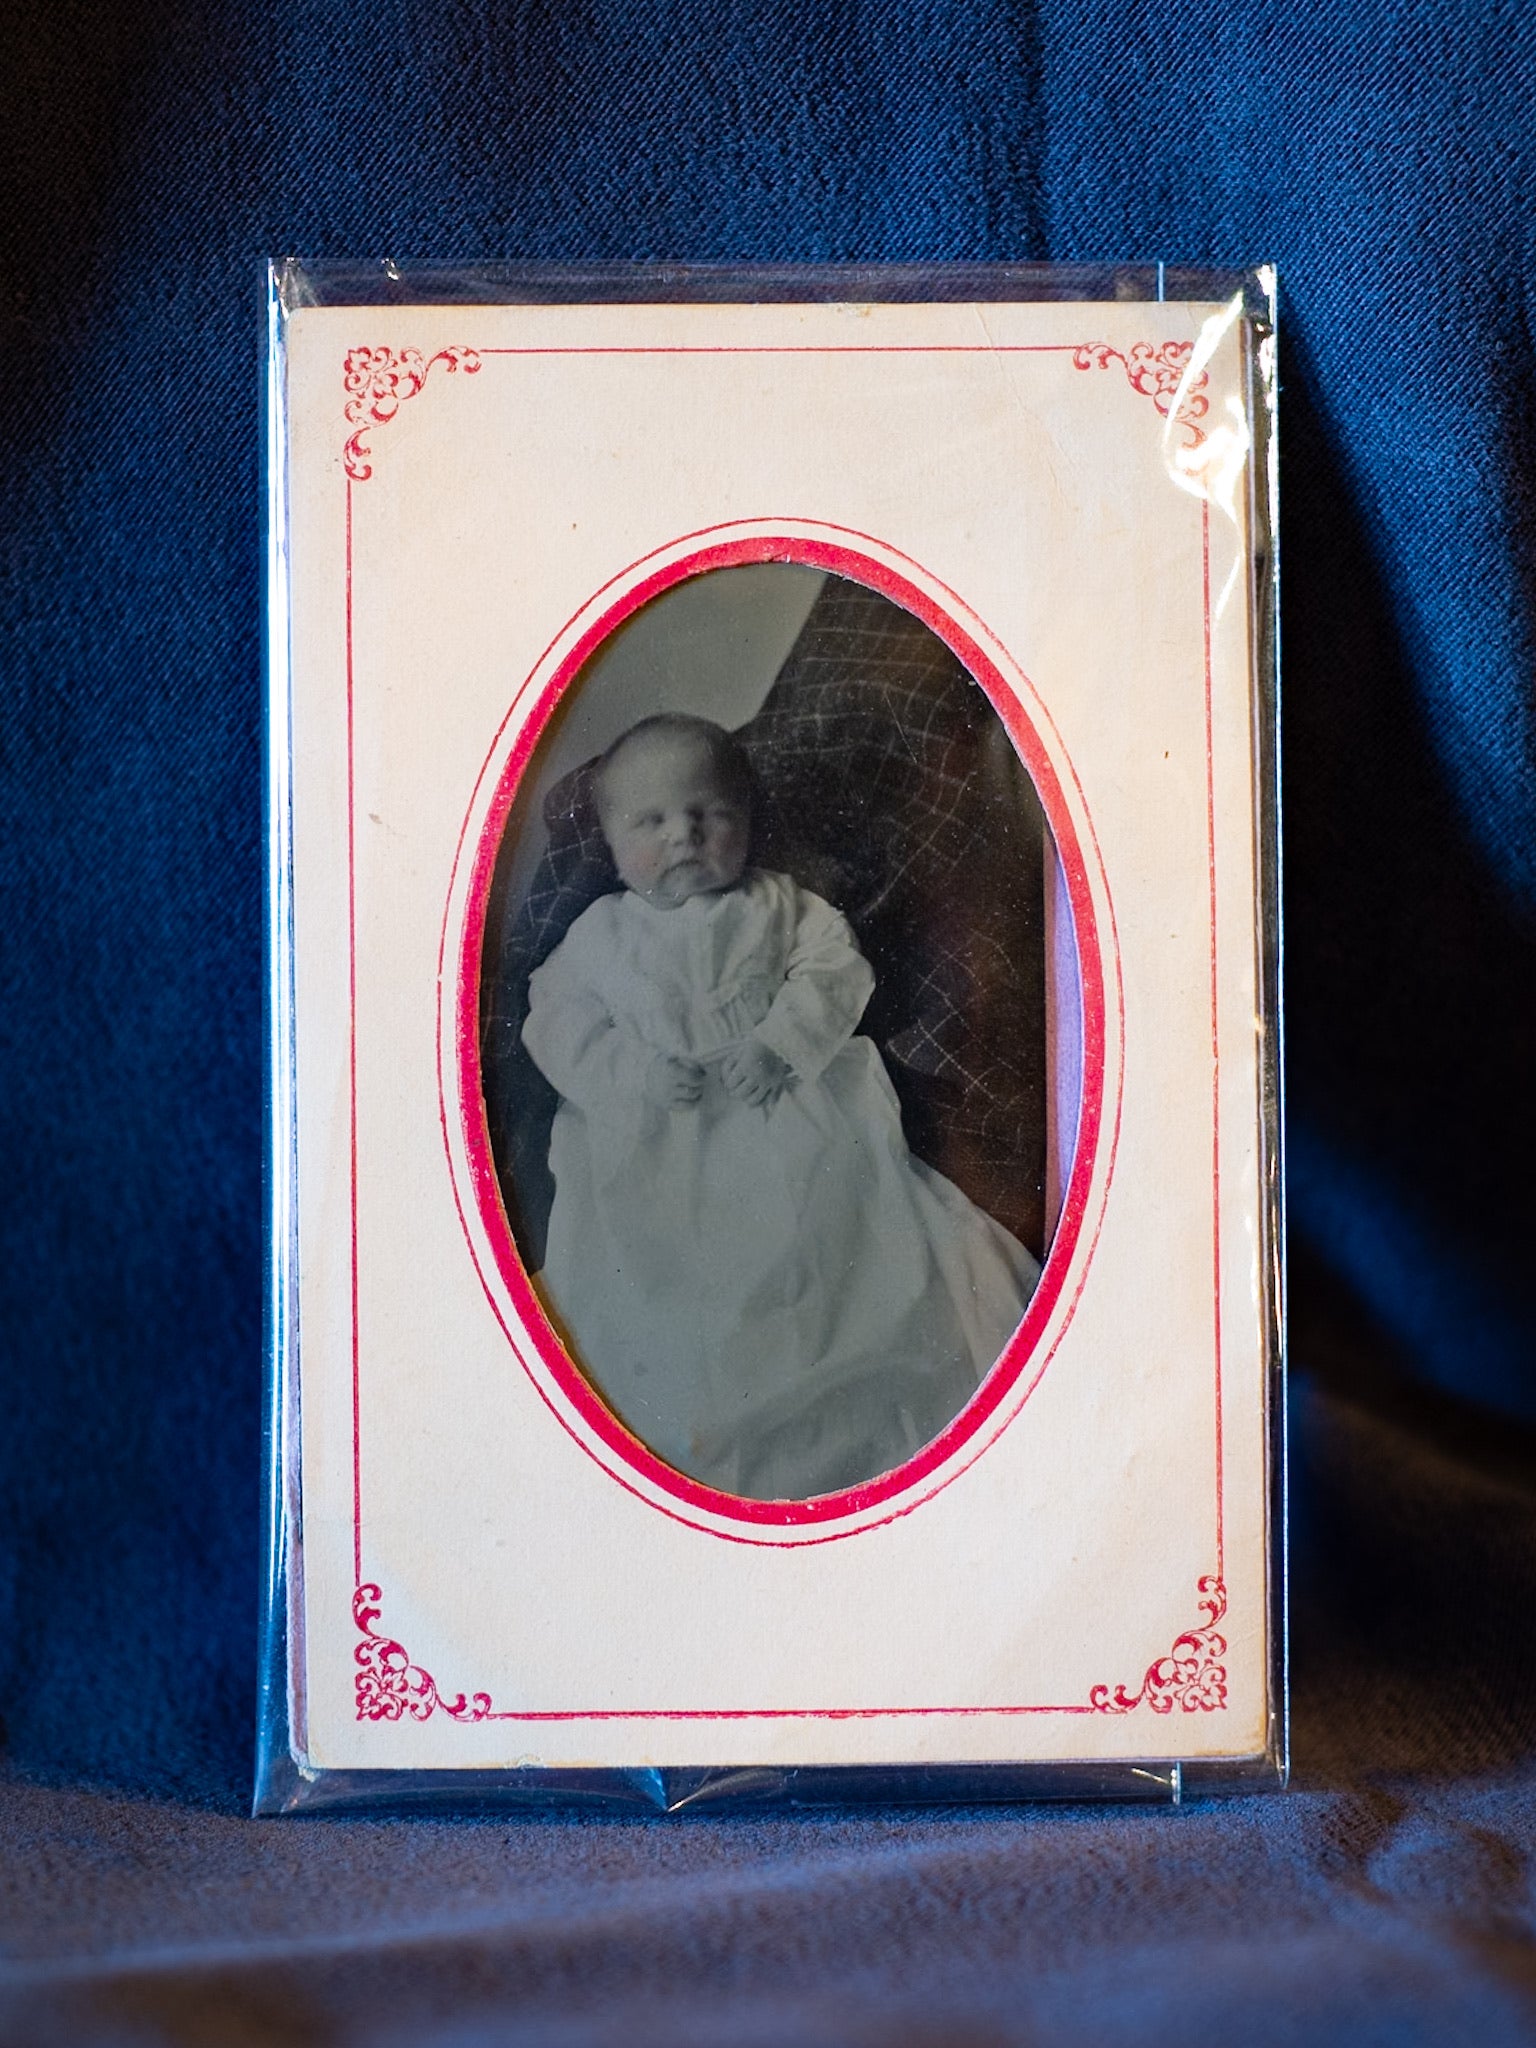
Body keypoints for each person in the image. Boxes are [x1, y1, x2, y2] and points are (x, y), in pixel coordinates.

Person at [521, 713, 1040, 1502]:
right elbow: (555, 1017)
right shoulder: (600, 935)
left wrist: (782, 1041)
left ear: (748, 821)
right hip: (661, 1136)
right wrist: (631, 1073)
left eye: (711, 814)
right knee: (662, 1289)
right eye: (652, 822)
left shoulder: (779, 905)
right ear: (610, 837)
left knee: (838, 1247)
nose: (686, 835)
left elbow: (835, 969)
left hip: (789, 1111)